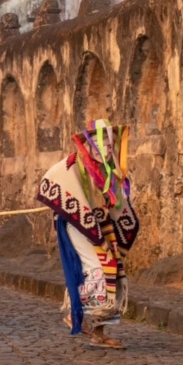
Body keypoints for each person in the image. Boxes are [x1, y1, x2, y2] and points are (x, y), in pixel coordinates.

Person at [37, 119, 138, 349]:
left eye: (110, 145)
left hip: (101, 226)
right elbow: (50, 182)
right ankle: (77, 311)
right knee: (98, 268)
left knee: (114, 272)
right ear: (91, 144)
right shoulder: (73, 163)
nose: (107, 149)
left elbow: (115, 200)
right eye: (102, 145)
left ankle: (98, 330)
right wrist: (64, 202)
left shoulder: (109, 168)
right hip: (78, 224)